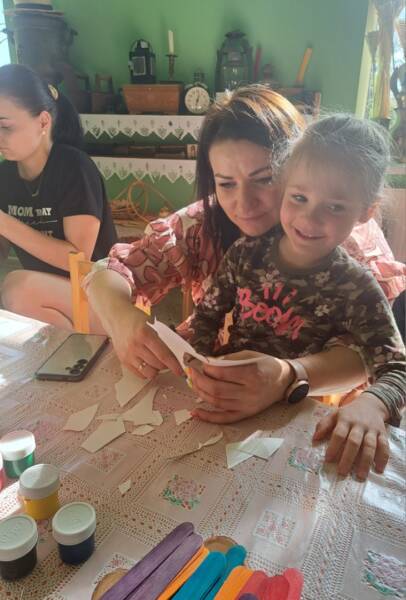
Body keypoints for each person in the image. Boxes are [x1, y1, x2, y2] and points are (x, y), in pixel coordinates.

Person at [85, 86, 406, 480]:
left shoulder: (352, 258)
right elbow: (117, 273)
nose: (243, 203)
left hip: (310, 417)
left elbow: (377, 356)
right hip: (223, 401)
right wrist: (125, 321)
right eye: (226, 183)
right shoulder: (228, 240)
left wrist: (290, 378)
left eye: (264, 179)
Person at [189, 113, 405, 448]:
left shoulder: (356, 287)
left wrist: (372, 404)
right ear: (283, 189)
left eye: (335, 207)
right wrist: (198, 361)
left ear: (366, 211)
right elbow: (206, 315)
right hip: (229, 398)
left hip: (295, 423)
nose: (309, 218)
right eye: (299, 198)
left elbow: (397, 368)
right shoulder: (246, 253)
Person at [0, 64, 117, 329]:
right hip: (52, 298)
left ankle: (83, 350)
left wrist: (4, 223)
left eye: (5, 126)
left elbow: (77, 260)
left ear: (43, 121)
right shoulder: (5, 176)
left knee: (17, 288)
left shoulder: (74, 167)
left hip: (105, 299)